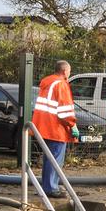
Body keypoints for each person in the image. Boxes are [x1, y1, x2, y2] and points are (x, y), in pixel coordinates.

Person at [32, 60, 79, 198]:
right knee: (55, 160)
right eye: (69, 71)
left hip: (43, 127)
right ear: (65, 71)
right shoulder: (61, 85)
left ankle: (48, 186)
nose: (69, 74)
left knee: (49, 159)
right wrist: (73, 125)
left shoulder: (47, 84)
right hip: (56, 129)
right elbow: (65, 111)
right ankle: (51, 188)